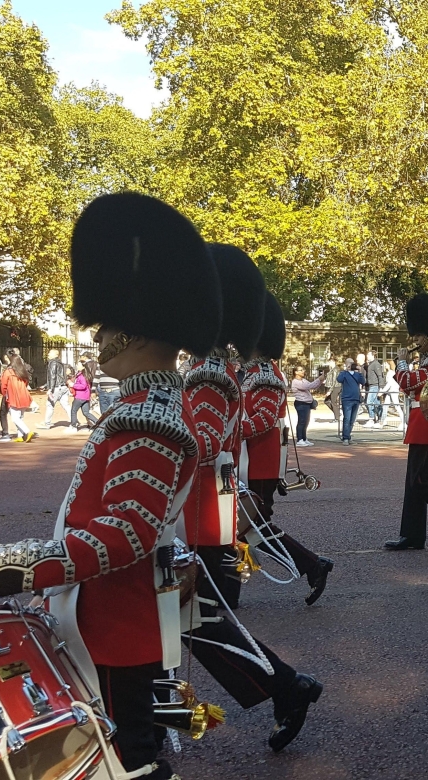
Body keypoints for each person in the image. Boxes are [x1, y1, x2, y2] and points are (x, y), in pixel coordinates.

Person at [0, 191, 222, 780]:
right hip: (111, 618)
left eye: (105, 325)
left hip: (115, 628)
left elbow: (120, 536)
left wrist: (11, 566)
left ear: (134, 329)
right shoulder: (144, 406)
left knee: (126, 761)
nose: (98, 337)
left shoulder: (146, 419)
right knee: (119, 754)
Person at [182, 245, 323, 754]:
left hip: (206, 510)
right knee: (196, 623)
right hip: (207, 505)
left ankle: (287, 685)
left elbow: (231, 432)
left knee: (201, 621)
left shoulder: (218, 375)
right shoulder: (216, 371)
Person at [242, 292, 334, 606]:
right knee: (248, 528)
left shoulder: (265, 375)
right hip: (251, 461)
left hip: (260, 463)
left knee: (254, 527)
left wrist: (227, 432)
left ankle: (313, 564)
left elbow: (265, 420)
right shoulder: (254, 373)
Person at [385, 293, 428, 550]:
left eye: (418, 336)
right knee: (416, 483)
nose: (414, 340)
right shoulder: (423, 361)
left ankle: (412, 535)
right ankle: (412, 535)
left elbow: (408, 382)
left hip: (425, 426)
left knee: (420, 482)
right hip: (420, 425)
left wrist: (400, 362)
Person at [0, 353, 34, 442]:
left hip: (14, 395)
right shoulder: (22, 371)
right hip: (24, 394)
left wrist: (4, 393)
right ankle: (20, 435)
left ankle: (27, 431)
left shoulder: (8, 372)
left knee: (15, 418)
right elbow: (26, 383)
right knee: (20, 416)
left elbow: (3, 384)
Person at [37, 349, 70, 429]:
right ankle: (74, 420)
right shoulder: (61, 363)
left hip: (56, 387)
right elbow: (58, 376)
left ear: (55, 354)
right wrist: (46, 385)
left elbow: (53, 376)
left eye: (50, 353)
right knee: (66, 405)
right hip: (63, 386)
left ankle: (47, 424)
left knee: (50, 405)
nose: (48, 354)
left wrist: (50, 389)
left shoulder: (53, 363)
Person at [291, 366, 324, 445]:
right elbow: (308, 386)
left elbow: (313, 386)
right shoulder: (295, 382)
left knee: (306, 422)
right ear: (296, 372)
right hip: (301, 403)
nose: (303, 371)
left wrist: (320, 381)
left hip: (307, 403)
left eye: (303, 369)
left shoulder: (303, 380)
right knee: (301, 421)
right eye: (301, 370)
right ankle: (299, 439)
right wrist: (318, 379)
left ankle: (304, 438)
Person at [337, 360, 366, 444]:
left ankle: (348, 436)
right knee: (347, 419)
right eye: (348, 364)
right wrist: (345, 370)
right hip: (347, 399)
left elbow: (363, 381)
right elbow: (339, 379)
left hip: (356, 399)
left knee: (352, 420)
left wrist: (360, 371)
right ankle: (345, 438)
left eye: (352, 364)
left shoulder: (357, 374)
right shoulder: (344, 374)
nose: (350, 365)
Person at [65, 360, 98, 433]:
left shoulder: (82, 375)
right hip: (85, 396)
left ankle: (73, 426)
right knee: (86, 413)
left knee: (73, 410)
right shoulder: (84, 374)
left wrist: (73, 385)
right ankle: (98, 423)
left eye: (78, 364)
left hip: (80, 396)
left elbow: (83, 386)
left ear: (83, 366)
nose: (77, 365)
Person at [380, 361, 405, 428]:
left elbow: (389, 384)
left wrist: (382, 391)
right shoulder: (391, 372)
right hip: (391, 391)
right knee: (385, 406)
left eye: (385, 364)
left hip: (393, 391)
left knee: (397, 406)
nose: (384, 366)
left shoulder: (390, 373)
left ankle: (403, 422)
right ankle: (382, 421)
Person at [364, 350, 385, 428]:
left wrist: (381, 388)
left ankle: (371, 419)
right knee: (376, 403)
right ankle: (380, 419)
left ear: (373, 355)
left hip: (375, 386)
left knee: (369, 402)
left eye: (369, 355)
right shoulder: (371, 364)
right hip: (372, 386)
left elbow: (380, 376)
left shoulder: (376, 364)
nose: (367, 356)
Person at [324, 358, 342, 422]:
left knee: (333, 402)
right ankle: (337, 413)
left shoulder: (335, 370)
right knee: (326, 401)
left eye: (329, 362)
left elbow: (334, 381)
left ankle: (337, 418)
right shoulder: (332, 369)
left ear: (332, 362)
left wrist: (330, 391)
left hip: (336, 387)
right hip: (333, 387)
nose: (328, 364)